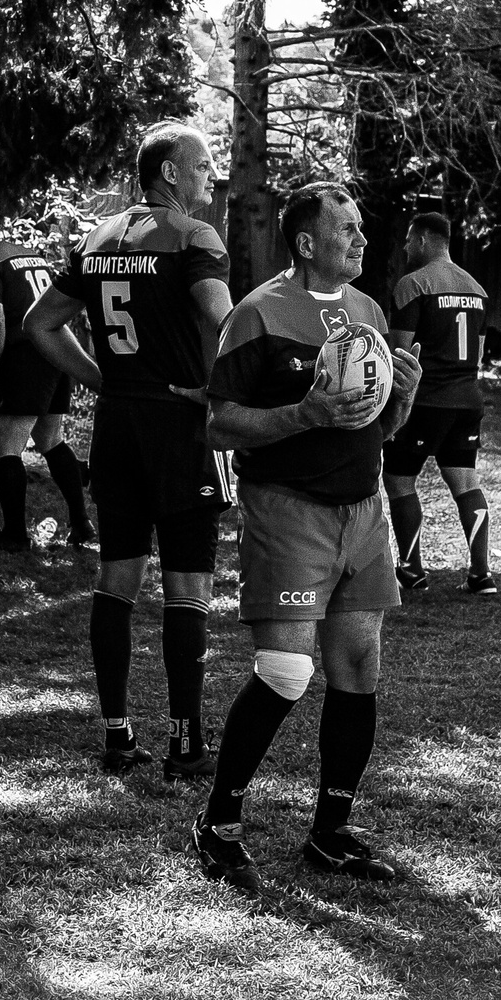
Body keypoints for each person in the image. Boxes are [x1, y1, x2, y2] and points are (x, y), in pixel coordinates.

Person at [192, 182, 422, 894]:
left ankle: (331, 830)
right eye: (346, 230)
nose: (360, 241)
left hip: (363, 509)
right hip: (288, 510)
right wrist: (305, 413)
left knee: (359, 670)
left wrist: (401, 401)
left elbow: (374, 426)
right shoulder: (258, 314)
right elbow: (220, 425)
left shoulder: (368, 312)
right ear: (306, 242)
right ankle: (218, 824)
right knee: (287, 672)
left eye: (360, 229)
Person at [22, 124, 234, 779]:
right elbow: (226, 320)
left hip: (117, 426)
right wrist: (225, 384)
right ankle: (184, 743)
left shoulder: (98, 238)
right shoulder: (194, 237)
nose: (208, 177)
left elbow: (40, 324)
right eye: (201, 167)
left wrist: (100, 379)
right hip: (178, 425)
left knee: (117, 579)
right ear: (170, 174)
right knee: (187, 589)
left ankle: (117, 735)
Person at [383, 211, 496, 596]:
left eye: (409, 240)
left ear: (425, 241)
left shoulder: (412, 285)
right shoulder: (477, 289)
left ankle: (412, 570)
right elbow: (477, 354)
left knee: (399, 481)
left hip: (424, 401)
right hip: (467, 400)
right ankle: (481, 575)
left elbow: (401, 353)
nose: (404, 247)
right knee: (465, 480)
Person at [0, 218, 90, 554]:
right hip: (56, 348)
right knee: (51, 439)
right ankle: (81, 522)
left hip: (24, 353)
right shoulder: (28, 254)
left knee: (6, 445)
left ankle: (15, 535)